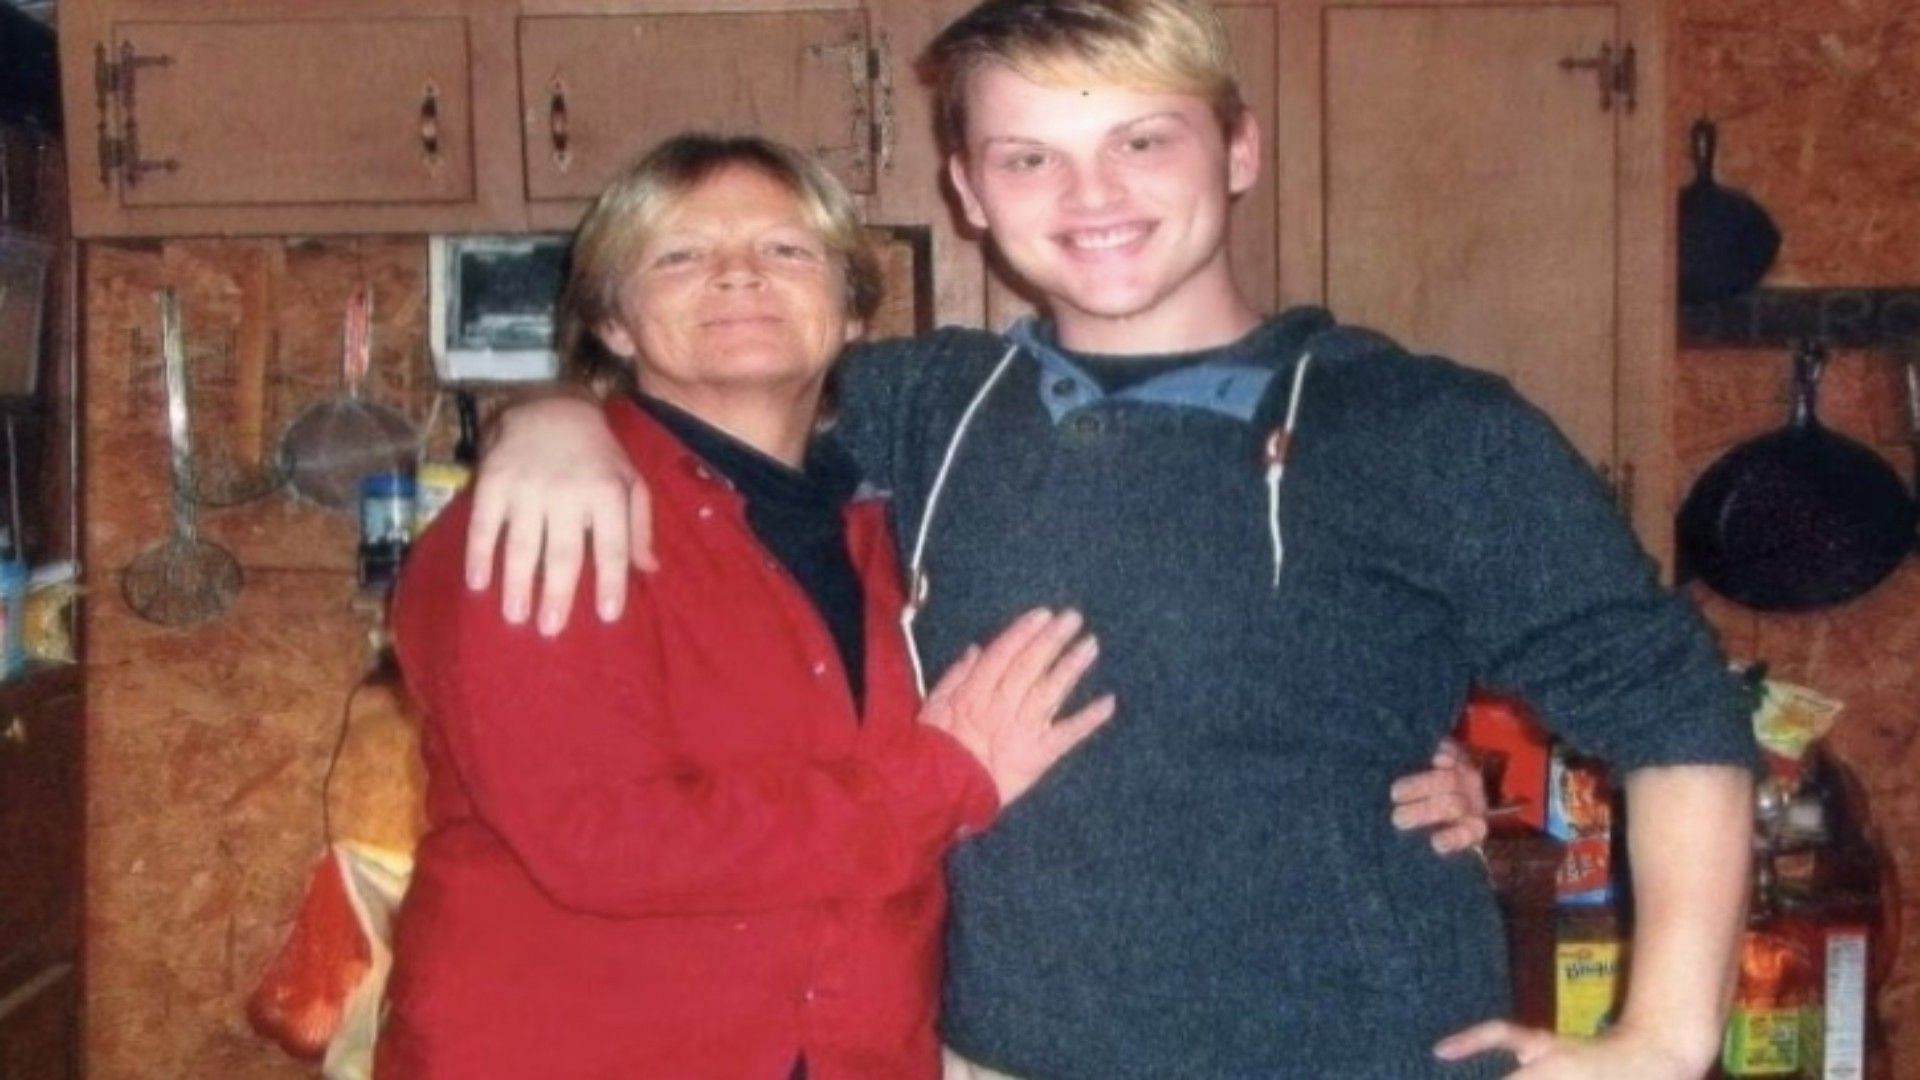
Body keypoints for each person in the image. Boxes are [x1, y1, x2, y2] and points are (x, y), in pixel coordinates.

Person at [463, 1, 1759, 1077]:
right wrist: (556, 419)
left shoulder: (1422, 426)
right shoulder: (922, 409)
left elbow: (1674, 708)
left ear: (1237, 150)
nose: (1092, 196)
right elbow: (711, 408)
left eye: (1144, 141)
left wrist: (1663, 1036)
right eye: (1029, 157)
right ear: (969, 190)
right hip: (991, 1060)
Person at [379, 134, 1119, 1079]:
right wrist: (945, 777)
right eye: (680, 255)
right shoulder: (546, 517)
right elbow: (602, 840)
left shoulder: (894, 516)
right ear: (613, 321)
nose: (737, 276)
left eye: (786, 250)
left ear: (851, 310)